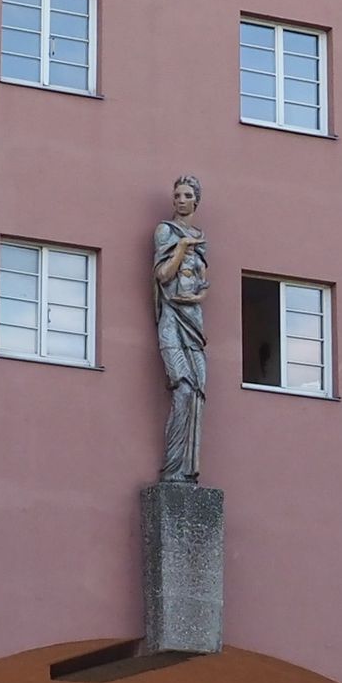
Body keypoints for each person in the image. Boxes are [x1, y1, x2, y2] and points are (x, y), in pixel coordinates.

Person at [152, 175, 208, 484]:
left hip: (194, 320)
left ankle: (188, 470)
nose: (181, 199)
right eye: (177, 194)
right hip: (171, 319)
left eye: (186, 195)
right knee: (183, 389)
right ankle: (172, 467)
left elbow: (202, 282)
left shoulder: (201, 235)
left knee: (198, 391)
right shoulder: (165, 231)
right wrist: (181, 247)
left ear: (196, 200)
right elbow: (162, 275)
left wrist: (199, 295)